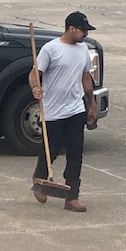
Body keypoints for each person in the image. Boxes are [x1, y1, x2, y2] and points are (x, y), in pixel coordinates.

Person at [29, 12, 98, 212]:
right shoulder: (51, 49)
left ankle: (72, 196)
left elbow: (86, 77)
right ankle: (40, 178)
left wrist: (91, 104)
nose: (86, 33)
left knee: (76, 153)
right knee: (51, 151)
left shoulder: (83, 49)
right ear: (71, 28)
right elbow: (35, 74)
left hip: (75, 109)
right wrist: (35, 88)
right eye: (83, 30)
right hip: (53, 110)